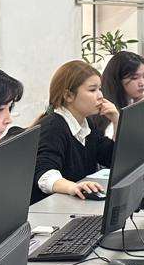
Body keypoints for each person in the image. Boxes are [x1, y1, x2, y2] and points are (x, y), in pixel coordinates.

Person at [32, 60, 119, 204]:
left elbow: (111, 158)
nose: (100, 96)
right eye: (92, 90)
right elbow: (44, 174)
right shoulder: (53, 127)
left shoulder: (86, 123)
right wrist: (73, 187)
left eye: (100, 89)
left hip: (76, 205)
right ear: (68, 96)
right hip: (51, 208)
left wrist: (116, 121)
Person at [95, 51, 144, 136]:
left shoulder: (136, 101)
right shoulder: (109, 112)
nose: (142, 83)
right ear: (118, 80)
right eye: (134, 78)